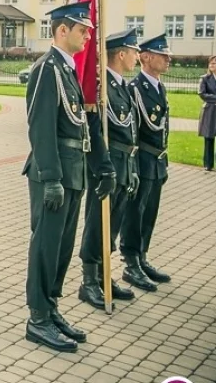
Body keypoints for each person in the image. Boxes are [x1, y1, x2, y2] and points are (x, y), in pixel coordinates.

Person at [22, 1, 100, 352]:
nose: (87, 36)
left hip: (72, 173)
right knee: (46, 246)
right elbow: (40, 127)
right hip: (52, 174)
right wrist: (52, 176)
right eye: (82, 30)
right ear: (62, 30)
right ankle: (37, 318)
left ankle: (51, 307)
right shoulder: (47, 68)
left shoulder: (67, 70)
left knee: (62, 248)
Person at [77, 29, 138, 310]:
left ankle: (104, 275)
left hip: (123, 162)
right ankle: (88, 281)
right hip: (105, 163)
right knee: (96, 221)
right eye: (134, 52)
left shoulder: (123, 86)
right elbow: (94, 128)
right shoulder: (101, 88)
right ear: (121, 54)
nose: (137, 57)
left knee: (113, 222)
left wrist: (132, 166)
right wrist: (103, 168)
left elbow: (130, 131)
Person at [123, 34, 173, 292]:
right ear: (146, 57)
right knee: (135, 212)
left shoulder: (158, 87)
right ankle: (130, 262)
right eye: (163, 55)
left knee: (150, 212)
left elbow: (163, 126)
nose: (168, 60)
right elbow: (133, 130)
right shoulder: (135, 89)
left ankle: (142, 256)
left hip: (156, 160)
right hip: (141, 159)